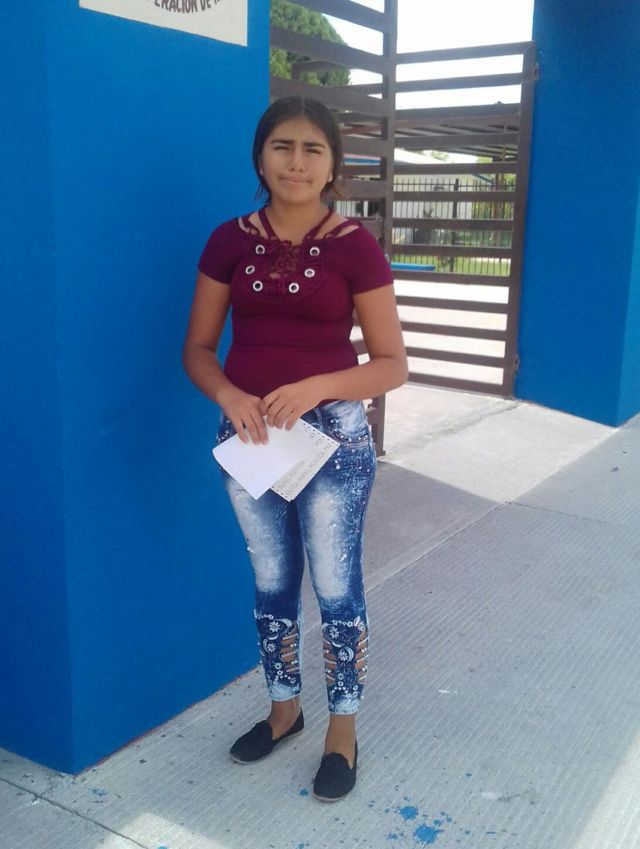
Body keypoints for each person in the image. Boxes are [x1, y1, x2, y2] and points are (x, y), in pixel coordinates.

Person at [182, 96, 407, 801]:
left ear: (333, 164)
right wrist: (229, 395)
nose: (297, 161)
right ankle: (284, 710)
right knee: (271, 581)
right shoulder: (228, 242)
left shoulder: (354, 245)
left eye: (313, 148)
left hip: (332, 440)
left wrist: (318, 386)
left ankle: (342, 728)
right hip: (250, 438)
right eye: (283, 146)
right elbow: (197, 349)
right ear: (260, 157)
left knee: (337, 588)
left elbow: (392, 364)